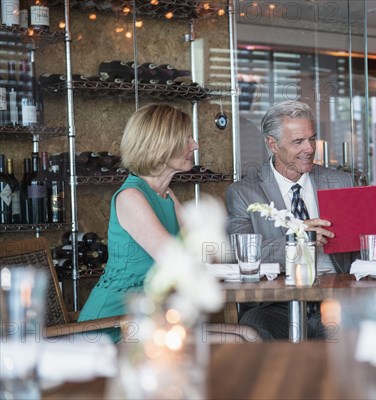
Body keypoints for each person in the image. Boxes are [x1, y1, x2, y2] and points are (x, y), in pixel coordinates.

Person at [226, 100, 354, 340]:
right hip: (276, 305)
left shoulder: (340, 182)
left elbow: (359, 242)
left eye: (311, 139)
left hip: (334, 299)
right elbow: (240, 254)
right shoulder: (244, 192)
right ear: (272, 144)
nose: (309, 149)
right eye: (298, 142)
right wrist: (298, 239)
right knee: (255, 327)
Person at [78, 104, 199, 338]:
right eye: (186, 139)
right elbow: (177, 262)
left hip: (146, 320)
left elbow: (205, 251)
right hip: (110, 323)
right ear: (160, 144)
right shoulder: (131, 197)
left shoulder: (166, 194)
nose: (195, 145)